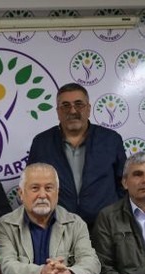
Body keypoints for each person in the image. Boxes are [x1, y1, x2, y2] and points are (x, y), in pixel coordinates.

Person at [27, 82, 126, 228]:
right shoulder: (41, 143)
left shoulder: (111, 140)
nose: (72, 110)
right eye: (65, 106)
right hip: (56, 226)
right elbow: (31, 184)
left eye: (79, 104)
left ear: (89, 109)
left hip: (105, 227)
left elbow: (125, 183)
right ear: (58, 111)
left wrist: (114, 215)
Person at [0, 163, 100, 274]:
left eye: (48, 188)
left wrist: (70, 273)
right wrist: (41, 273)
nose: (43, 195)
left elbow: (91, 261)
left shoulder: (76, 224)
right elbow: (7, 265)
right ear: (21, 193)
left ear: (57, 193)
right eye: (35, 188)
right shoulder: (5, 225)